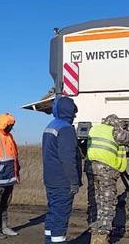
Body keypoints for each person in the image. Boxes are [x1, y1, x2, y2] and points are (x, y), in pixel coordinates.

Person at [85, 114, 129, 244]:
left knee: (95, 201)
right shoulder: (115, 131)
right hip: (106, 170)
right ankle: (101, 238)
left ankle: (93, 234)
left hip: (91, 169)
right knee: (107, 203)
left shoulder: (95, 129)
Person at [42, 96, 82, 243]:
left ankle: (48, 240)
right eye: (73, 112)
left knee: (52, 214)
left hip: (51, 180)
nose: (75, 115)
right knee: (60, 218)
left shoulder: (51, 125)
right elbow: (68, 159)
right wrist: (74, 182)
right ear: (68, 111)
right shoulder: (66, 129)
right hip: (62, 182)